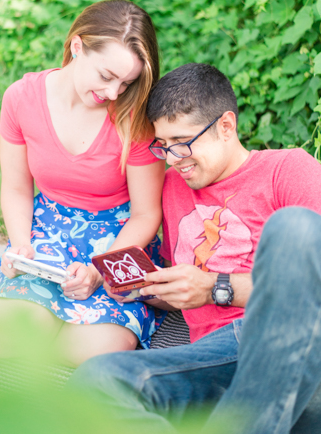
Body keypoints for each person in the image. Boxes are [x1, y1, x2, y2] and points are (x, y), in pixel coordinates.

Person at [69, 63, 321, 433]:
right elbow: (190, 289)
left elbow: (310, 286)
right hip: (216, 363)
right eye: (163, 146)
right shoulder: (172, 188)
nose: (173, 158)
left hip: (293, 347)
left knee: (296, 228)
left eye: (183, 141)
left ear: (226, 126)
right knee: (96, 380)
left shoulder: (287, 169)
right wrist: (149, 288)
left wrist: (214, 287)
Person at [0, 0, 167, 366]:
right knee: (26, 329)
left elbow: (146, 213)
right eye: (106, 76)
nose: (115, 93)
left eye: (127, 82)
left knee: (99, 350)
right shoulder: (22, 98)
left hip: (118, 241)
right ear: (77, 46)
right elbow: (17, 188)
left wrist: (100, 271)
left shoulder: (134, 115)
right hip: (50, 233)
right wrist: (22, 245)